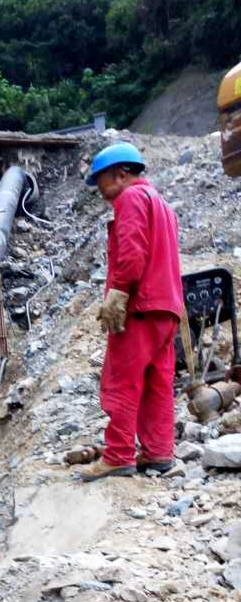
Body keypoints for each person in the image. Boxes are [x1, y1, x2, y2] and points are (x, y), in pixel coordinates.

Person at [80, 142, 183, 482]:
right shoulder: (161, 204)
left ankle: (118, 455)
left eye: (100, 181)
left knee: (122, 380)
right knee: (158, 382)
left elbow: (132, 251)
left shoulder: (130, 198)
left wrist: (119, 291)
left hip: (141, 307)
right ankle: (158, 452)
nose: (99, 190)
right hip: (167, 308)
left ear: (120, 174)